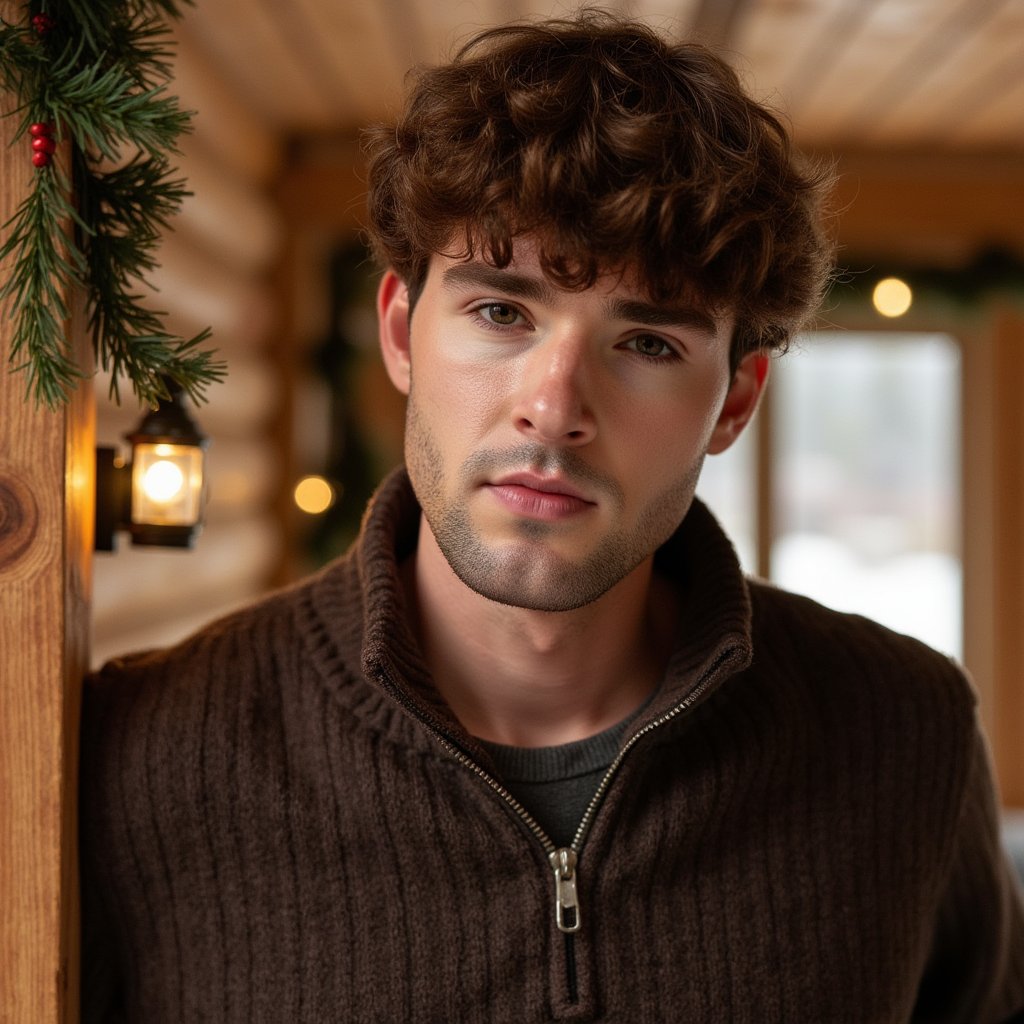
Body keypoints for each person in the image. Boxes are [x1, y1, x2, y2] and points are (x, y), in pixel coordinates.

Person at [79, 11, 1024, 1022]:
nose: (555, 406)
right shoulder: (143, 754)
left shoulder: (906, 734)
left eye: (648, 343)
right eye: (501, 312)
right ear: (400, 332)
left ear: (734, 404)